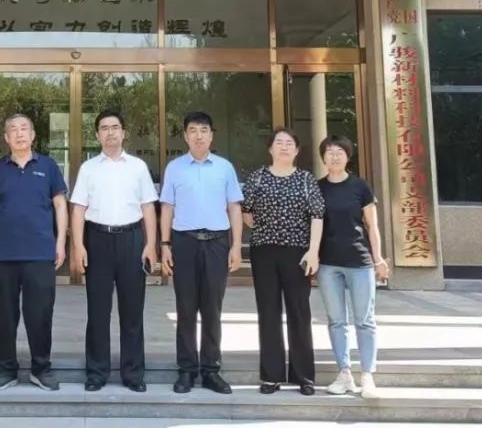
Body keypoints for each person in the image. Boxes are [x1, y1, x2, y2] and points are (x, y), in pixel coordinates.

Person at [70, 110, 158, 393]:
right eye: (105, 128)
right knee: (98, 311)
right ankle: (96, 373)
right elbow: (78, 209)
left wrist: (151, 244)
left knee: (132, 312)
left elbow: (148, 207)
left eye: (115, 127)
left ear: (123, 132)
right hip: (97, 240)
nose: (110, 132)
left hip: (132, 240)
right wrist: (78, 246)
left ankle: (133, 374)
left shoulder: (138, 167)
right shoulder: (88, 169)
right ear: (97, 135)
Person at [0, 112, 68, 391]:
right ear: (6, 138)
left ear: (33, 135)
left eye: (24, 129)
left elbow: (60, 205)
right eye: (13, 130)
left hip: (40, 253)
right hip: (4, 254)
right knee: (6, 316)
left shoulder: (48, 166)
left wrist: (60, 243)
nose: (19, 133)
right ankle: (7, 369)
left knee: (40, 314)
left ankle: (41, 368)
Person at [159, 111, 243, 395]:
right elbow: (167, 208)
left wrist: (236, 246)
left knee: (212, 309)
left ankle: (210, 370)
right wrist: (165, 245)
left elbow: (234, 207)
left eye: (203, 130)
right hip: (184, 243)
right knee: (185, 308)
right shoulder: (174, 168)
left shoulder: (224, 168)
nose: (198, 135)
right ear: (185, 136)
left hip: (217, 243)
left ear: (211, 135)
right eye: (193, 130)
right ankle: (186, 369)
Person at [242, 127, 325, 395]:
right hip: (264, 252)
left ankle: (304, 377)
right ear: (270, 148)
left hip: (297, 253)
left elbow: (317, 215)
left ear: (297, 150)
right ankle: (271, 376)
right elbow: (246, 211)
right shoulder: (257, 177)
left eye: (289, 143)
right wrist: (264, 228)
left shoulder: (305, 179)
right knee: (268, 312)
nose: (284, 147)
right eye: (279, 142)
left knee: (299, 312)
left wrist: (313, 251)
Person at [315, 134, 387, 399]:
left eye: (339, 152)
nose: (334, 156)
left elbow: (372, 226)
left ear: (348, 156)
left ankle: (367, 375)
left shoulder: (360, 187)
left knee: (365, 320)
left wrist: (378, 259)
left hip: (360, 261)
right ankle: (344, 373)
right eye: (329, 152)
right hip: (328, 263)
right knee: (336, 321)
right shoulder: (317, 188)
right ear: (323, 157)